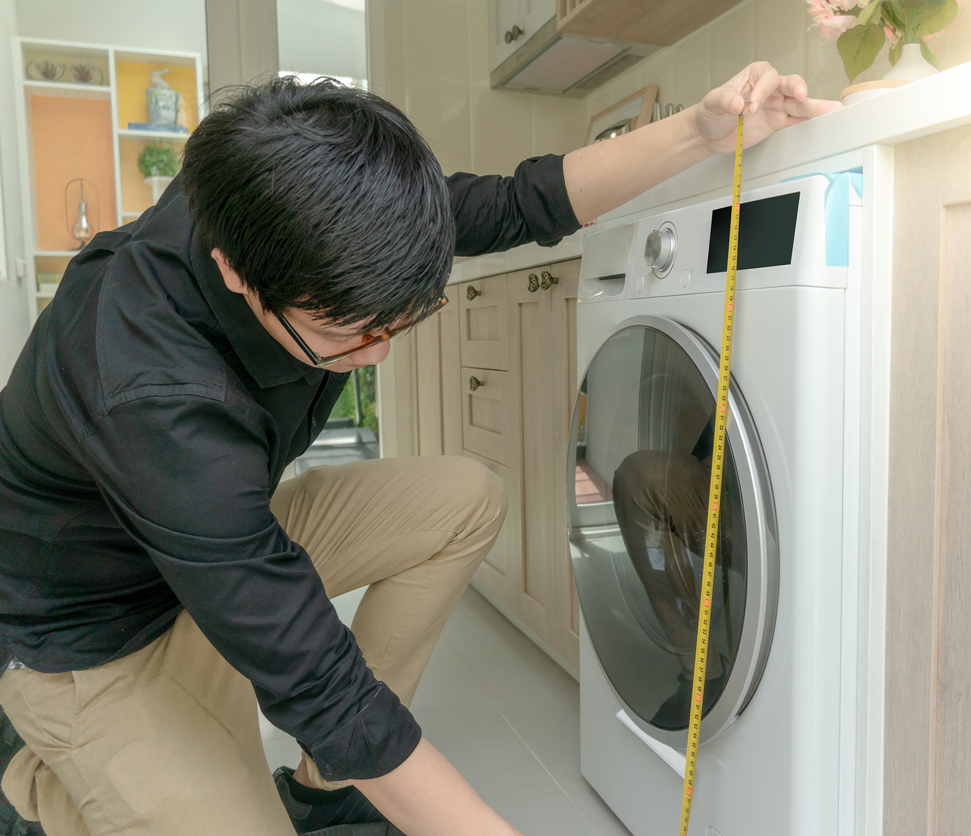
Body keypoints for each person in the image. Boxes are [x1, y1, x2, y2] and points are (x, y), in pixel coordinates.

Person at [0, 63, 837, 836]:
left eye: (401, 319)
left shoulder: (287, 188)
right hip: (94, 635)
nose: (378, 352)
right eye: (345, 333)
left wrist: (704, 128)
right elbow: (318, 684)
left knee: (461, 497)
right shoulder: (148, 388)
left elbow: (523, 201)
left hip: (221, 544)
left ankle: (332, 793)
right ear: (233, 271)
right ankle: (42, 773)